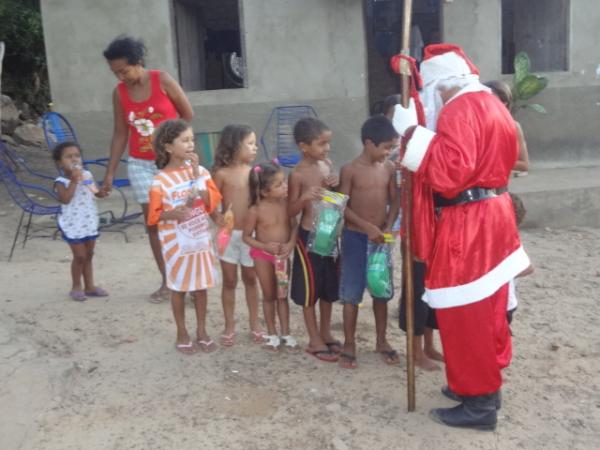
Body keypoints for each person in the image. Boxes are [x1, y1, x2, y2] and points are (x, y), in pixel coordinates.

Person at [392, 44, 531, 430]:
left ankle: (479, 403)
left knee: (465, 316)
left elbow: (450, 172)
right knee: (488, 312)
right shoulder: (491, 105)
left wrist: (411, 133)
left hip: (470, 222)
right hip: (493, 214)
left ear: (441, 85)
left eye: (431, 92)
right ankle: (481, 390)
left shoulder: (459, 109)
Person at [101, 35, 194, 303]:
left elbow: (187, 114)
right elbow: (120, 133)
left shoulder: (161, 80)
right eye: (115, 72)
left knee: (182, 219)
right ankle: (168, 281)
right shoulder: (119, 93)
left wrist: (174, 143)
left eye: (124, 70)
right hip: (140, 166)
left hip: (171, 164)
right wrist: (110, 172)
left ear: (138, 62)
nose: (120, 77)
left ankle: (187, 278)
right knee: (154, 223)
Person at [147, 119, 221, 354]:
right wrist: (172, 213)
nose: (191, 144)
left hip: (199, 241)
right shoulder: (160, 180)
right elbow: (154, 216)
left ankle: (201, 330)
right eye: (185, 140)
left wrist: (196, 174)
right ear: (168, 147)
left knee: (200, 288)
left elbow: (211, 203)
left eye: (192, 140)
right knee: (178, 288)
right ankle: (182, 331)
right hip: (176, 244)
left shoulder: (202, 172)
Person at [337, 115, 400, 369]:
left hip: (380, 239)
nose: (389, 152)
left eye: (392, 147)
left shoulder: (389, 169)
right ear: (368, 143)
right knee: (351, 294)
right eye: (386, 147)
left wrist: (387, 226)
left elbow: (394, 201)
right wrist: (367, 227)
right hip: (355, 238)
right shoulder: (350, 170)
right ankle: (349, 343)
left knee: (381, 291)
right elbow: (342, 205)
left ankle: (381, 340)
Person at [287, 117, 340, 362]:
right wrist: (304, 197)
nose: (327, 148)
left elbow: (334, 197)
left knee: (329, 288)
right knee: (310, 289)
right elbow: (290, 211)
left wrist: (335, 183)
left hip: (328, 234)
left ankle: (326, 331)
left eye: (328, 143)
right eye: (321, 144)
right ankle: (313, 338)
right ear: (303, 146)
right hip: (308, 235)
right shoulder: (297, 174)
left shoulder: (327, 164)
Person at [212, 124, 264, 346]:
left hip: (250, 235)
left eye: (255, 144)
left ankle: (255, 323)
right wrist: (216, 218)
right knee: (230, 281)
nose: (255, 148)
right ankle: (229, 324)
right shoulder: (221, 174)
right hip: (228, 236)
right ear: (234, 146)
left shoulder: (256, 173)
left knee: (251, 279)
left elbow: (263, 200)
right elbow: (211, 203)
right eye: (250, 144)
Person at [243, 162, 299, 352]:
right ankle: (272, 334)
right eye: (279, 184)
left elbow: (294, 226)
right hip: (262, 257)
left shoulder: (287, 205)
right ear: (265, 191)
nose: (285, 186)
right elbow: (246, 237)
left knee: (282, 296)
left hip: (283, 257)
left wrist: (291, 244)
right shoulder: (255, 210)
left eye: (284, 182)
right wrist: (265, 246)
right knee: (268, 296)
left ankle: (286, 333)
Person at [53, 142, 108, 301]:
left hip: (89, 221)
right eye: (69, 157)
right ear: (60, 162)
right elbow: (65, 199)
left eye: (77, 156)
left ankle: (90, 286)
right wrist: (74, 180)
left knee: (89, 254)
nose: (74, 159)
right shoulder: (60, 181)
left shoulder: (87, 175)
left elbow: (95, 192)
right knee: (80, 256)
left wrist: (102, 192)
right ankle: (76, 286)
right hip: (73, 224)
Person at [484, 80, 530, 174]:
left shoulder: (513, 127)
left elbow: (524, 165)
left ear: (504, 103)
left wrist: (493, 161)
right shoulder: (473, 125)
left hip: (498, 185)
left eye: (491, 99)